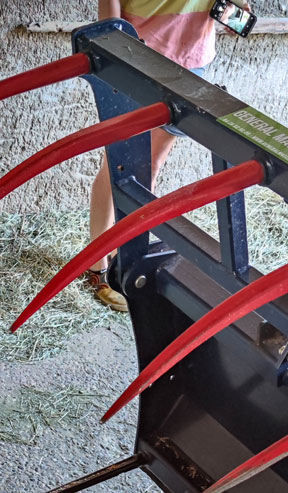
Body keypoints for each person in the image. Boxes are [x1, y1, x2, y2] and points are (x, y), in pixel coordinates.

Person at [85, 0, 227, 311]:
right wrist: (114, 50)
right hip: (139, 57)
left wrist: (232, 9)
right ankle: (97, 267)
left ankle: (129, 257)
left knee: (150, 166)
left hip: (190, 59)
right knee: (118, 164)